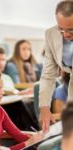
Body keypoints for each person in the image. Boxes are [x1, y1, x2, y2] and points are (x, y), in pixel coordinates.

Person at [39, 1, 73, 133]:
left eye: (71, 29)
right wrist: (44, 107)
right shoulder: (50, 34)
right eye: (61, 29)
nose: (66, 34)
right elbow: (48, 74)